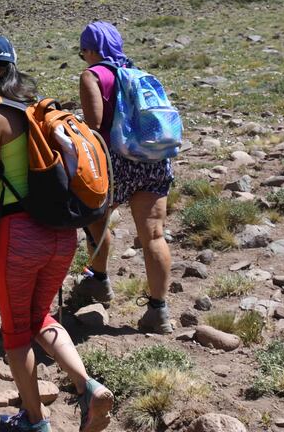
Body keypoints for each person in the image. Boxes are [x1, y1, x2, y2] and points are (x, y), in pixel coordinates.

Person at [0, 34, 113, 432]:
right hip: (61, 234)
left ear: (0, 69)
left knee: (16, 333)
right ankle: (87, 385)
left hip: (18, 235)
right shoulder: (38, 109)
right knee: (41, 316)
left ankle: (36, 423)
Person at [74, 21, 175, 334]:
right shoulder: (138, 73)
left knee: (97, 222)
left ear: (91, 49)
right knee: (153, 235)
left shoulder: (93, 75)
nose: (83, 57)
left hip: (115, 163)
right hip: (153, 161)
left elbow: (93, 125)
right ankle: (158, 311)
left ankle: (100, 282)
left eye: (82, 51)